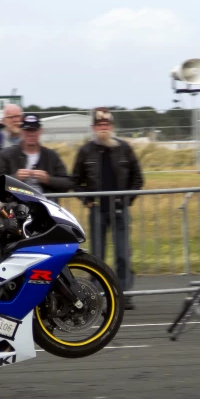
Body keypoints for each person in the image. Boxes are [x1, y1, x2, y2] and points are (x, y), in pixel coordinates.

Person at [72, 108, 144, 310]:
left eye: (107, 125)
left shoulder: (124, 149)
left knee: (122, 254)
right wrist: (85, 199)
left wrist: (127, 200)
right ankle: (96, 296)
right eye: (99, 125)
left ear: (112, 127)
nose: (103, 128)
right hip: (97, 211)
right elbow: (76, 180)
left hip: (120, 211)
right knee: (97, 257)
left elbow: (137, 179)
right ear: (94, 128)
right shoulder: (86, 151)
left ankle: (124, 295)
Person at [0, 114, 71, 197]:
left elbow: (67, 183)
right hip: (16, 206)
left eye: (34, 130)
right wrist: (14, 178)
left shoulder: (51, 155)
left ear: (40, 131)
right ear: (21, 131)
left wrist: (48, 179)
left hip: (46, 205)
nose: (31, 134)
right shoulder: (7, 154)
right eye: (27, 130)